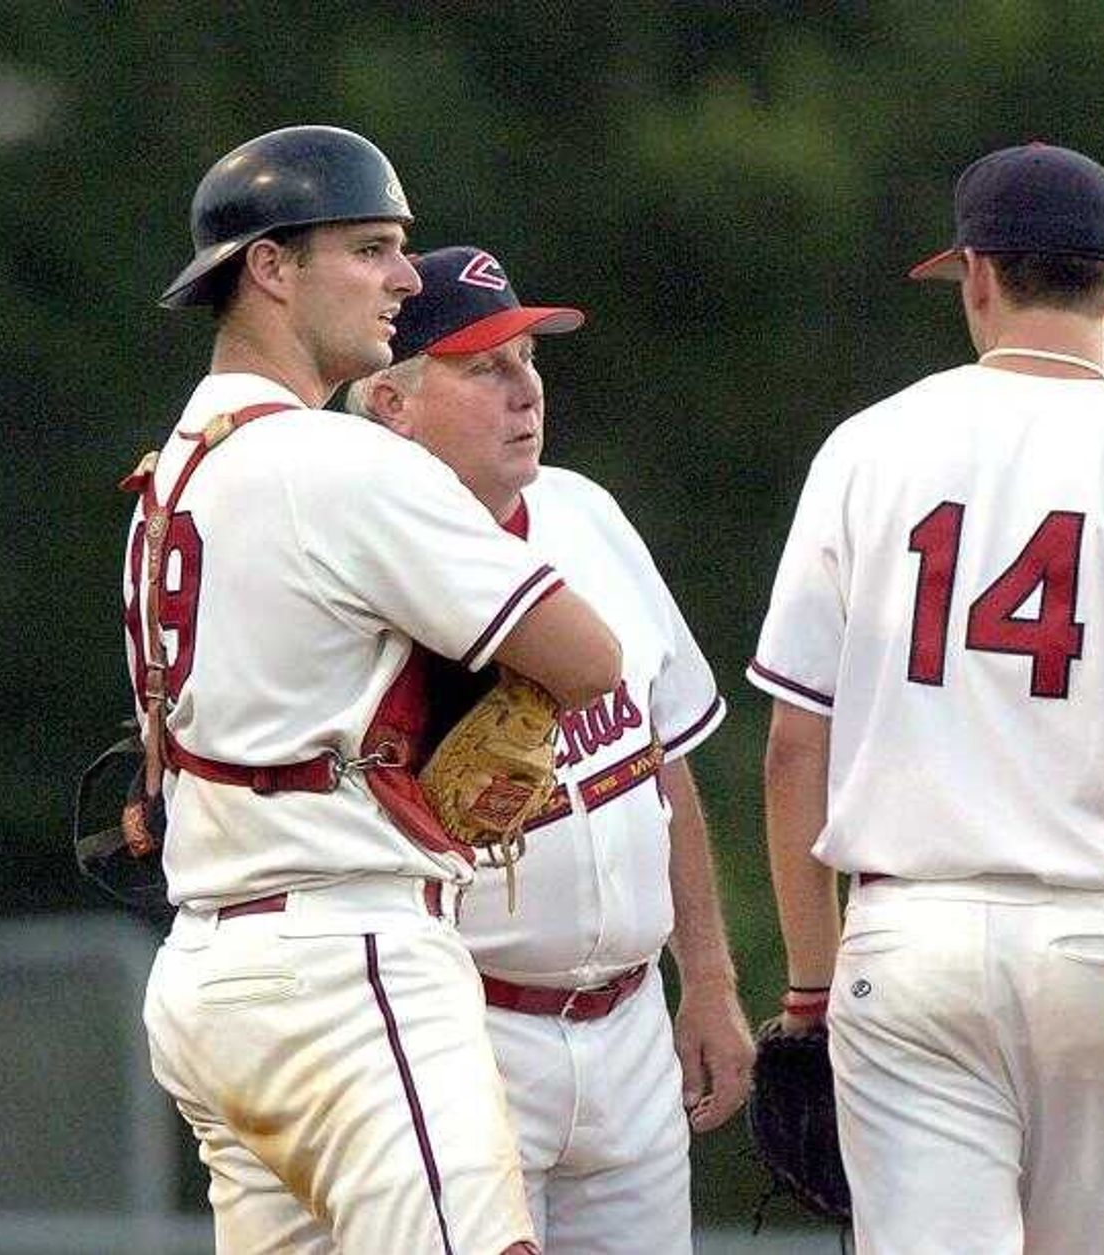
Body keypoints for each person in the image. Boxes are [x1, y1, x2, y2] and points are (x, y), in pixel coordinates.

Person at [749, 142, 1104, 1254]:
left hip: (906, 938)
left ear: (974, 275)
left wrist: (813, 985)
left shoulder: (867, 449)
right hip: (1102, 942)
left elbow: (791, 745)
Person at [129, 127, 623, 1254]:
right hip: (344, 965)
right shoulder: (336, 462)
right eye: (372, 248)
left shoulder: (172, 471)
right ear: (269, 266)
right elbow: (589, 656)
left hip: (213, 972)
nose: (405, 277)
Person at [346, 245, 756, 1254]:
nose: (525, 389)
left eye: (529, 359)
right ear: (393, 405)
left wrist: (706, 975)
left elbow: (661, 763)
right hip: (460, 1030)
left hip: (628, 1026)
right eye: (483, 367)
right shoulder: (350, 565)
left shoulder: (586, 513)